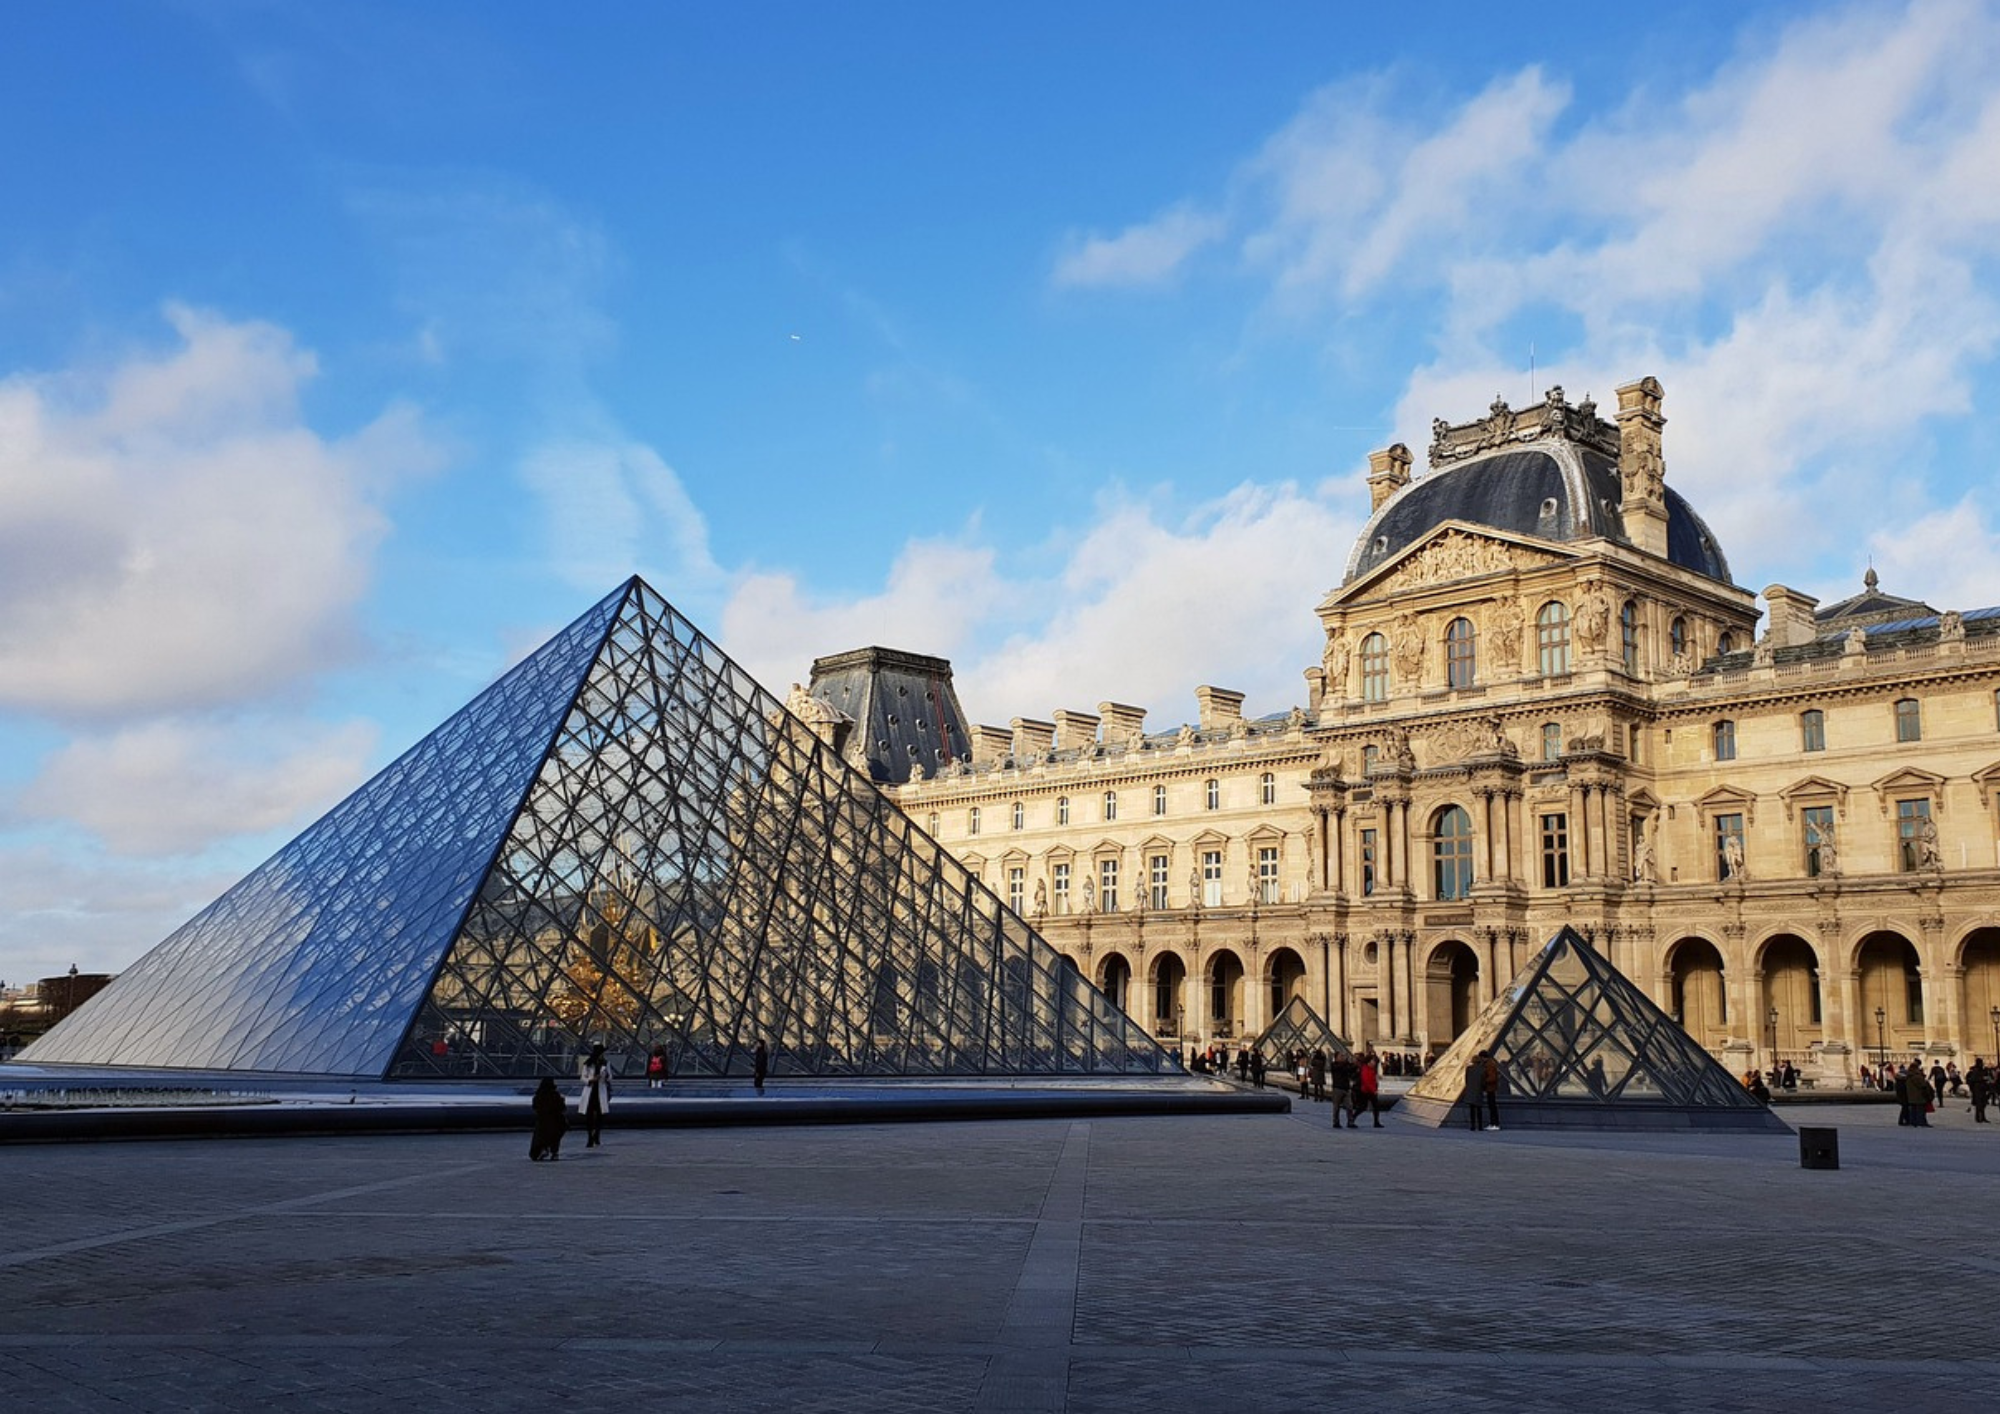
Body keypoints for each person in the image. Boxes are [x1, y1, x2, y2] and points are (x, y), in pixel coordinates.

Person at [579, 1042, 612, 1147]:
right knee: (589, 1115)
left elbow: (610, 1077)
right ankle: (590, 1136)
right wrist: (590, 1080)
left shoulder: (606, 1063)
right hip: (591, 1091)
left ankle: (596, 1135)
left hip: (600, 1090)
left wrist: (606, 1077)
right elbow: (582, 1077)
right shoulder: (587, 1064)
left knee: (600, 1115)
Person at [529, 1076, 568, 1161]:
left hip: (542, 1122)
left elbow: (535, 1107)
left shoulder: (538, 1096)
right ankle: (554, 1153)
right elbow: (562, 1108)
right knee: (555, 1137)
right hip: (556, 1121)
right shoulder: (555, 1095)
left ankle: (543, 1149)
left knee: (542, 1137)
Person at [1327, 1052, 1355, 1127]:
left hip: (1346, 1088)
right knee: (1336, 1107)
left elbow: (1352, 1069)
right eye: (1341, 1056)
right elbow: (1343, 1069)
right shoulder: (1334, 1065)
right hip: (1337, 1088)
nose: (1342, 1057)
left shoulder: (1346, 1065)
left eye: (1343, 1056)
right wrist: (1347, 1063)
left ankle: (1350, 1122)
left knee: (1350, 1106)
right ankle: (1336, 1122)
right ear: (1336, 1058)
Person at [1358, 1050, 1382, 1128]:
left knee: (1376, 1107)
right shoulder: (1365, 1069)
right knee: (1363, 1107)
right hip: (1366, 1091)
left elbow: (1372, 1080)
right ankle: (1352, 1117)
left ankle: (1376, 1122)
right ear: (1369, 1062)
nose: (1374, 1063)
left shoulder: (1371, 1069)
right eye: (1373, 1061)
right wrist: (1374, 1090)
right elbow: (1367, 1081)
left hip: (1371, 1090)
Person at [1906, 1062, 1935, 1127]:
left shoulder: (1908, 1076)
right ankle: (1921, 1122)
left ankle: (1913, 1122)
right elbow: (1922, 1085)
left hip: (1911, 1096)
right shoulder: (1916, 1076)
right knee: (1920, 1110)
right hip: (1919, 1096)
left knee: (1913, 1110)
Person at [1479, 1050, 1501, 1131]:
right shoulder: (1491, 1063)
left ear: (1483, 1057)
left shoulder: (1489, 1065)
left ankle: (1494, 1124)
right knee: (1492, 1107)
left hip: (1490, 1088)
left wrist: (1484, 1081)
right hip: (1491, 1088)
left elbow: (1492, 1077)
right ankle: (1494, 1123)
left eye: (1481, 1058)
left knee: (1492, 1107)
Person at [1968, 1057, 1991, 1122]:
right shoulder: (1976, 1070)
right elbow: (1973, 1079)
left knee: (1983, 1104)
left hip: (1982, 1088)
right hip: (1978, 1089)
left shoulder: (1982, 1070)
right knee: (1979, 1104)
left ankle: (1982, 1117)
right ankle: (1978, 1118)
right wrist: (1982, 1078)